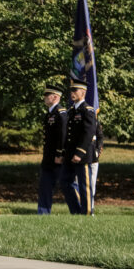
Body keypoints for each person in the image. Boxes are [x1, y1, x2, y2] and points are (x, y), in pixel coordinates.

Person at [59, 79, 97, 216]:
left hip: (82, 154)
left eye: (75, 91)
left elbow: (89, 133)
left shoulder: (88, 110)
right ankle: (76, 211)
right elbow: (68, 135)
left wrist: (79, 153)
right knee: (64, 181)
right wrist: (64, 152)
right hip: (70, 153)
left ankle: (86, 213)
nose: (72, 93)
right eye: (71, 90)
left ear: (83, 92)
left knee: (84, 185)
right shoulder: (71, 111)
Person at [37, 84, 70, 215]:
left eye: (47, 95)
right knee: (45, 185)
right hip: (48, 156)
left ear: (55, 97)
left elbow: (63, 135)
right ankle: (43, 212)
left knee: (67, 185)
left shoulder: (61, 113)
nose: (44, 98)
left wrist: (60, 153)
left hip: (57, 157)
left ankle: (79, 209)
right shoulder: (50, 114)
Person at [90, 120, 103, 215]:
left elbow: (100, 137)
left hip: (93, 158)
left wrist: (97, 151)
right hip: (79, 158)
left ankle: (91, 208)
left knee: (92, 184)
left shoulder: (95, 122)